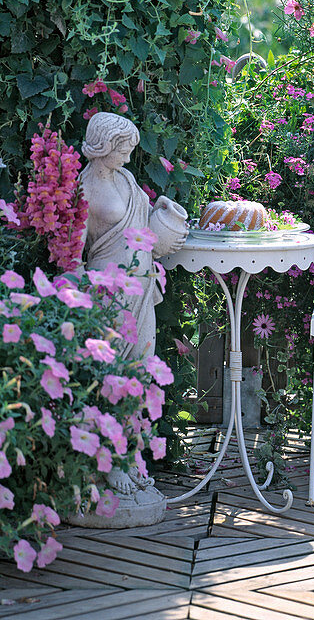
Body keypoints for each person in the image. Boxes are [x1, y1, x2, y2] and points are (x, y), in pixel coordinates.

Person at [79, 113, 186, 503]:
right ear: (104, 146)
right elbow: (74, 255)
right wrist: (81, 304)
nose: (128, 154)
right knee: (111, 376)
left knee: (139, 374)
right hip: (108, 293)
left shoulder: (125, 179)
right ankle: (106, 466)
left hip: (141, 288)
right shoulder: (83, 189)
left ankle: (129, 457)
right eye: (123, 147)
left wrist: (160, 240)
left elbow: (141, 228)